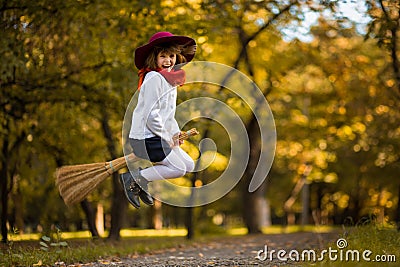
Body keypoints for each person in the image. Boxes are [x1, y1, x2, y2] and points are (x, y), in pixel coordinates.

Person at [120, 32, 197, 209]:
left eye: (171, 56)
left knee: (189, 165)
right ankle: (134, 178)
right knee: (178, 169)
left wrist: (175, 133)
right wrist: (165, 136)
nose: (168, 60)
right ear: (153, 58)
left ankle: (141, 179)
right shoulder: (153, 78)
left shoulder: (171, 81)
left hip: (159, 136)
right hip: (146, 138)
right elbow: (150, 115)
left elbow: (168, 115)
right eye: (163, 56)